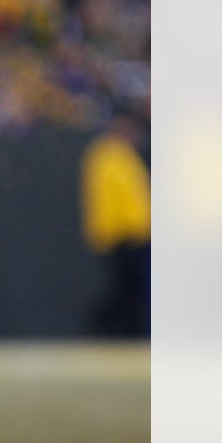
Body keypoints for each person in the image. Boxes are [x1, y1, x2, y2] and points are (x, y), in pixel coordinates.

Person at [80, 113, 150, 336]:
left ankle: (122, 330)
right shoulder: (108, 155)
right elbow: (111, 199)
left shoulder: (124, 155)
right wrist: (124, 229)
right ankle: (105, 327)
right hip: (122, 235)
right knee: (126, 289)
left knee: (131, 289)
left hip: (133, 234)